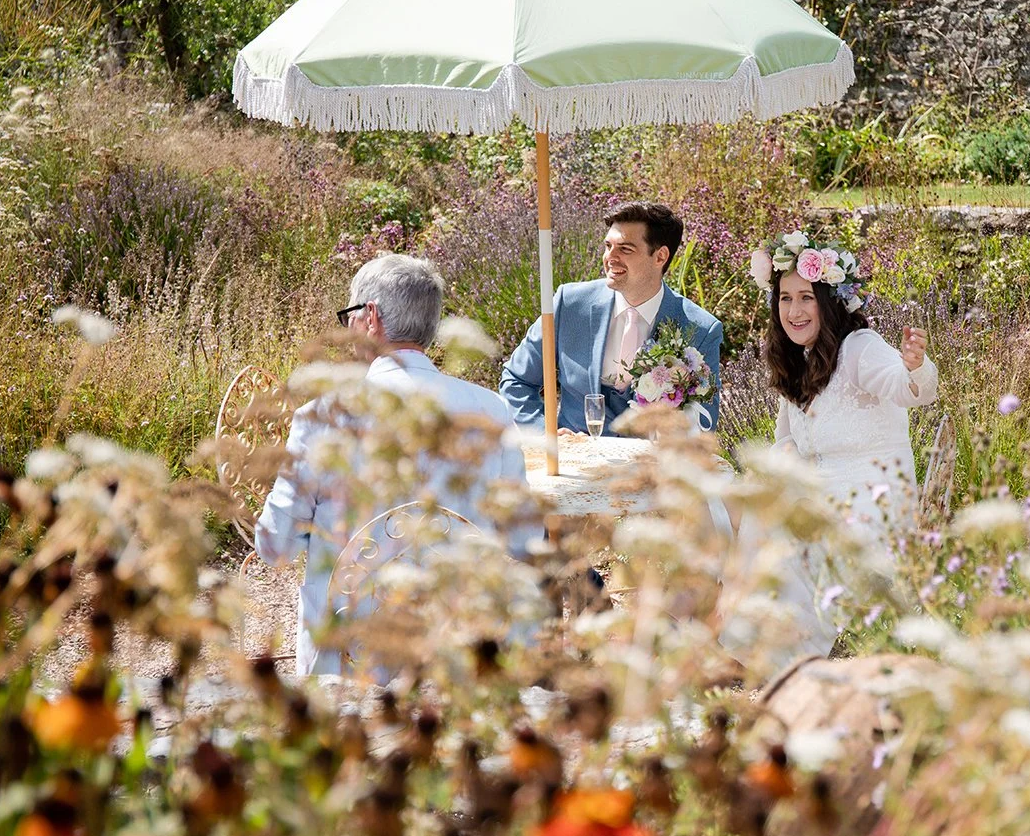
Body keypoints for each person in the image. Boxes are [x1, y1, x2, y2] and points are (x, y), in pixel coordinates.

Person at [255, 254, 537, 676]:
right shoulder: (491, 410)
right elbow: (524, 538)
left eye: (349, 315)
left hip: (348, 657)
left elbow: (276, 548)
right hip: (455, 652)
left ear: (370, 317)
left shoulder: (324, 415)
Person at [741, 230, 938, 662]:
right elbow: (786, 437)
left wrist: (915, 367)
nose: (794, 310)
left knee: (794, 537)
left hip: (873, 498)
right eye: (785, 298)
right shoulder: (798, 359)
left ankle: (790, 658)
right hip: (822, 492)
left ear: (829, 301)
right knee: (754, 517)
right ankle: (762, 649)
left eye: (807, 297)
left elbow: (910, 390)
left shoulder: (859, 348)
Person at [500, 202, 723, 436]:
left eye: (625, 249)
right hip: (574, 467)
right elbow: (516, 380)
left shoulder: (700, 329)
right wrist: (547, 437)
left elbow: (703, 422)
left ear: (660, 256)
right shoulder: (570, 304)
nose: (610, 257)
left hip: (650, 469)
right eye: (608, 246)